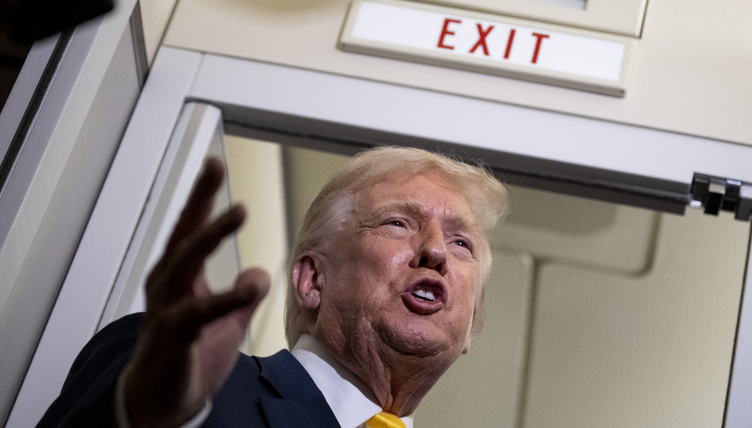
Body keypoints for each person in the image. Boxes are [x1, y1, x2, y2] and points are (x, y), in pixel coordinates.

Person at [38, 146, 508, 427]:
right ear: (311, 280)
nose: (437, 251)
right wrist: (141, 416)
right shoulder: (187, 379)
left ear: (470, 330)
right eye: (399, 223)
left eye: (461, 241)